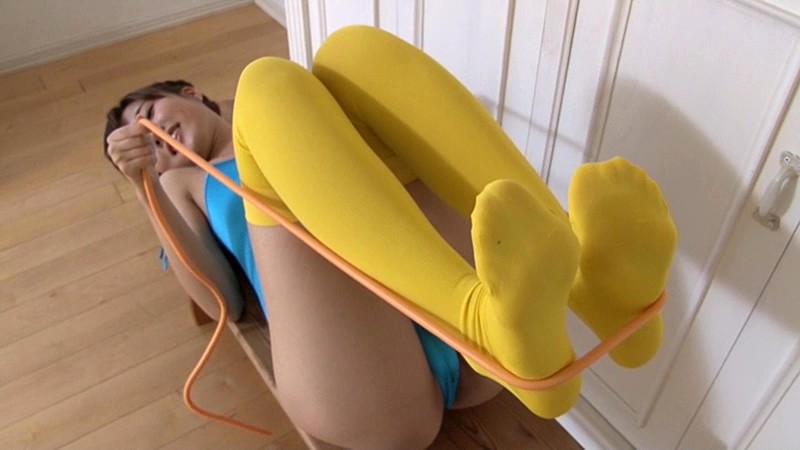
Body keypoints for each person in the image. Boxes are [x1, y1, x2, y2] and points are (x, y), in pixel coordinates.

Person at [105, 26, 676, 449]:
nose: (152, 136)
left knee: (348, 53)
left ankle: (587, 284)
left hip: (476, 348)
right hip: (366, 383)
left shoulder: (309, 112)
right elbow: (221, 305)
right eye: (140, 142)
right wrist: (145, 187)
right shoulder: (181, 181)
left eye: (149, 114)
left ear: (189, 91)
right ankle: (487, 319)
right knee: (265, 83)